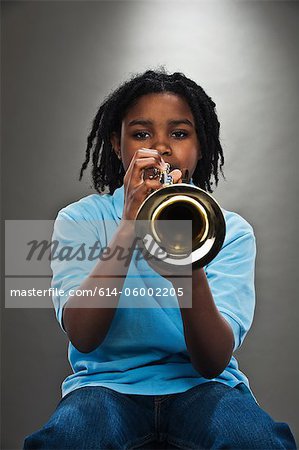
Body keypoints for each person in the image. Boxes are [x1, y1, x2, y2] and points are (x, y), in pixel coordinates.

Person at [23, 69, 297, 449]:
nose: (161, 147)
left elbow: (212, 361)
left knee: (258, 441)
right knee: (66, 439)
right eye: (141, 134)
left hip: (205, 387)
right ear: (117, 147)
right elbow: (83, 336)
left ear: (201, 147)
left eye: (180, 134)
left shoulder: (228, 230)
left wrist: (189, 268)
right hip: (104, 388)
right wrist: (127, 229)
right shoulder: (79, 220)